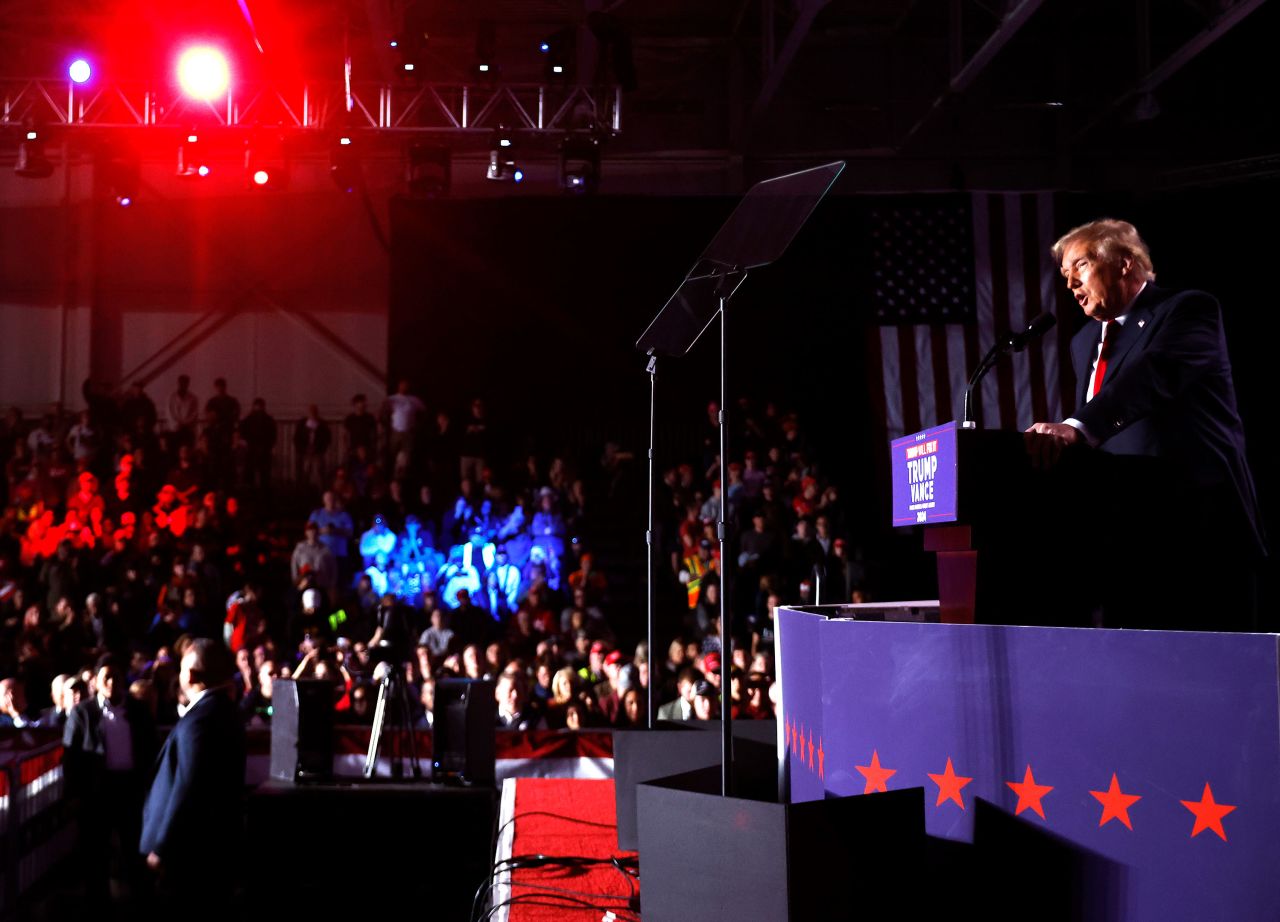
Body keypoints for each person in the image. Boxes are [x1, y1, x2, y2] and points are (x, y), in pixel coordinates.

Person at [1026, 219, 1265, 629]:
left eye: (1079, 266)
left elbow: (1153, 375)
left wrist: (1077, 427)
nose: (1070, 284)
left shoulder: (1188, 308)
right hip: (1122, 528)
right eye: (1065, 275)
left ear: (1123, 262)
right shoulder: (1082, 341)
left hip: (1195, 520)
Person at [140, 638, 245, 913]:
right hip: (211, 850)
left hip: (189, 855)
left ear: (192, 675)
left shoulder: (199, 720)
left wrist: (162, 846)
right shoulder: (223, 711)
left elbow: (188, 786)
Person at [63, 653, 158, 907]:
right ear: (96, 681)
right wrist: (74, 796)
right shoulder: (83, 713)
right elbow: (71, 758)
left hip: (131, 791)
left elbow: (150, 750)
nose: (112, 682)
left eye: (117, 675)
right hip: (97, 794)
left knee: (135, 854)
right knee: (96, 858)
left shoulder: (138, 711)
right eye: (107, 676)